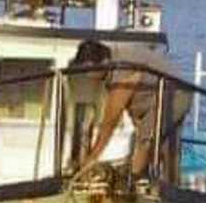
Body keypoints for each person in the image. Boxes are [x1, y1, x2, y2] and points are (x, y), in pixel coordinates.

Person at [69, 39, 191, 183]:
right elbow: (131, 103)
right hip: (154, 97)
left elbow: (111, 119)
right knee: (157, 143)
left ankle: (132, 181)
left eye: (90, 71)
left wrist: (92, 158)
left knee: (146, 137)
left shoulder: (122, 68)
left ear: (104, 62)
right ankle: (162, 183)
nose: (89, 76)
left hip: (174, 93)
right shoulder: (112, 62)